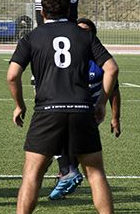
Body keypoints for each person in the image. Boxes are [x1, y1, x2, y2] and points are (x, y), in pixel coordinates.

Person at [0, 0, 132, 214]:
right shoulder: (84, 35)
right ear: (70, 8)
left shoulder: (32, 37)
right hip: (82, 110)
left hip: (47, 112)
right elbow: (112, 69)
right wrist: (101, 102)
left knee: (32, 174)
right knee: (95, 173)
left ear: (42, 10)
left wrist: (19, 105)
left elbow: (12, 75)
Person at [48, 17, 123, 200]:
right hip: (70, 107)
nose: (82, 34)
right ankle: (66, 175)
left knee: (61, 141)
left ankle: (66, 174)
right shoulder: (69, 58)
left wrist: (115, 118)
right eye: (79, 30)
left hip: (91, 112)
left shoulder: (101, 60)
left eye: (86, 31)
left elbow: (114, 90)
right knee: (64, 143)